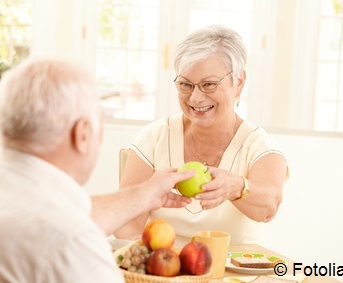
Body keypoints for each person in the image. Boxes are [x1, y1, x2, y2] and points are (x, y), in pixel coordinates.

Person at [0, 57, 194, 283]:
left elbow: (64, 214)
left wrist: (146, 194)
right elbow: (63, 228)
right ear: (82, 134)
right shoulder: (70, 242)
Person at [114, 25, 288, 246]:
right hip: (166, 270)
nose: (196, 98)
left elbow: (268, 208)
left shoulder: (258, 146)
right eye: (185, 84)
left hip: (235, 275)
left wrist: (237, 187)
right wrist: (147, 256)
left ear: (239, 82)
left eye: (209, 84)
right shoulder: (154, 137)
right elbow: (126, 219)